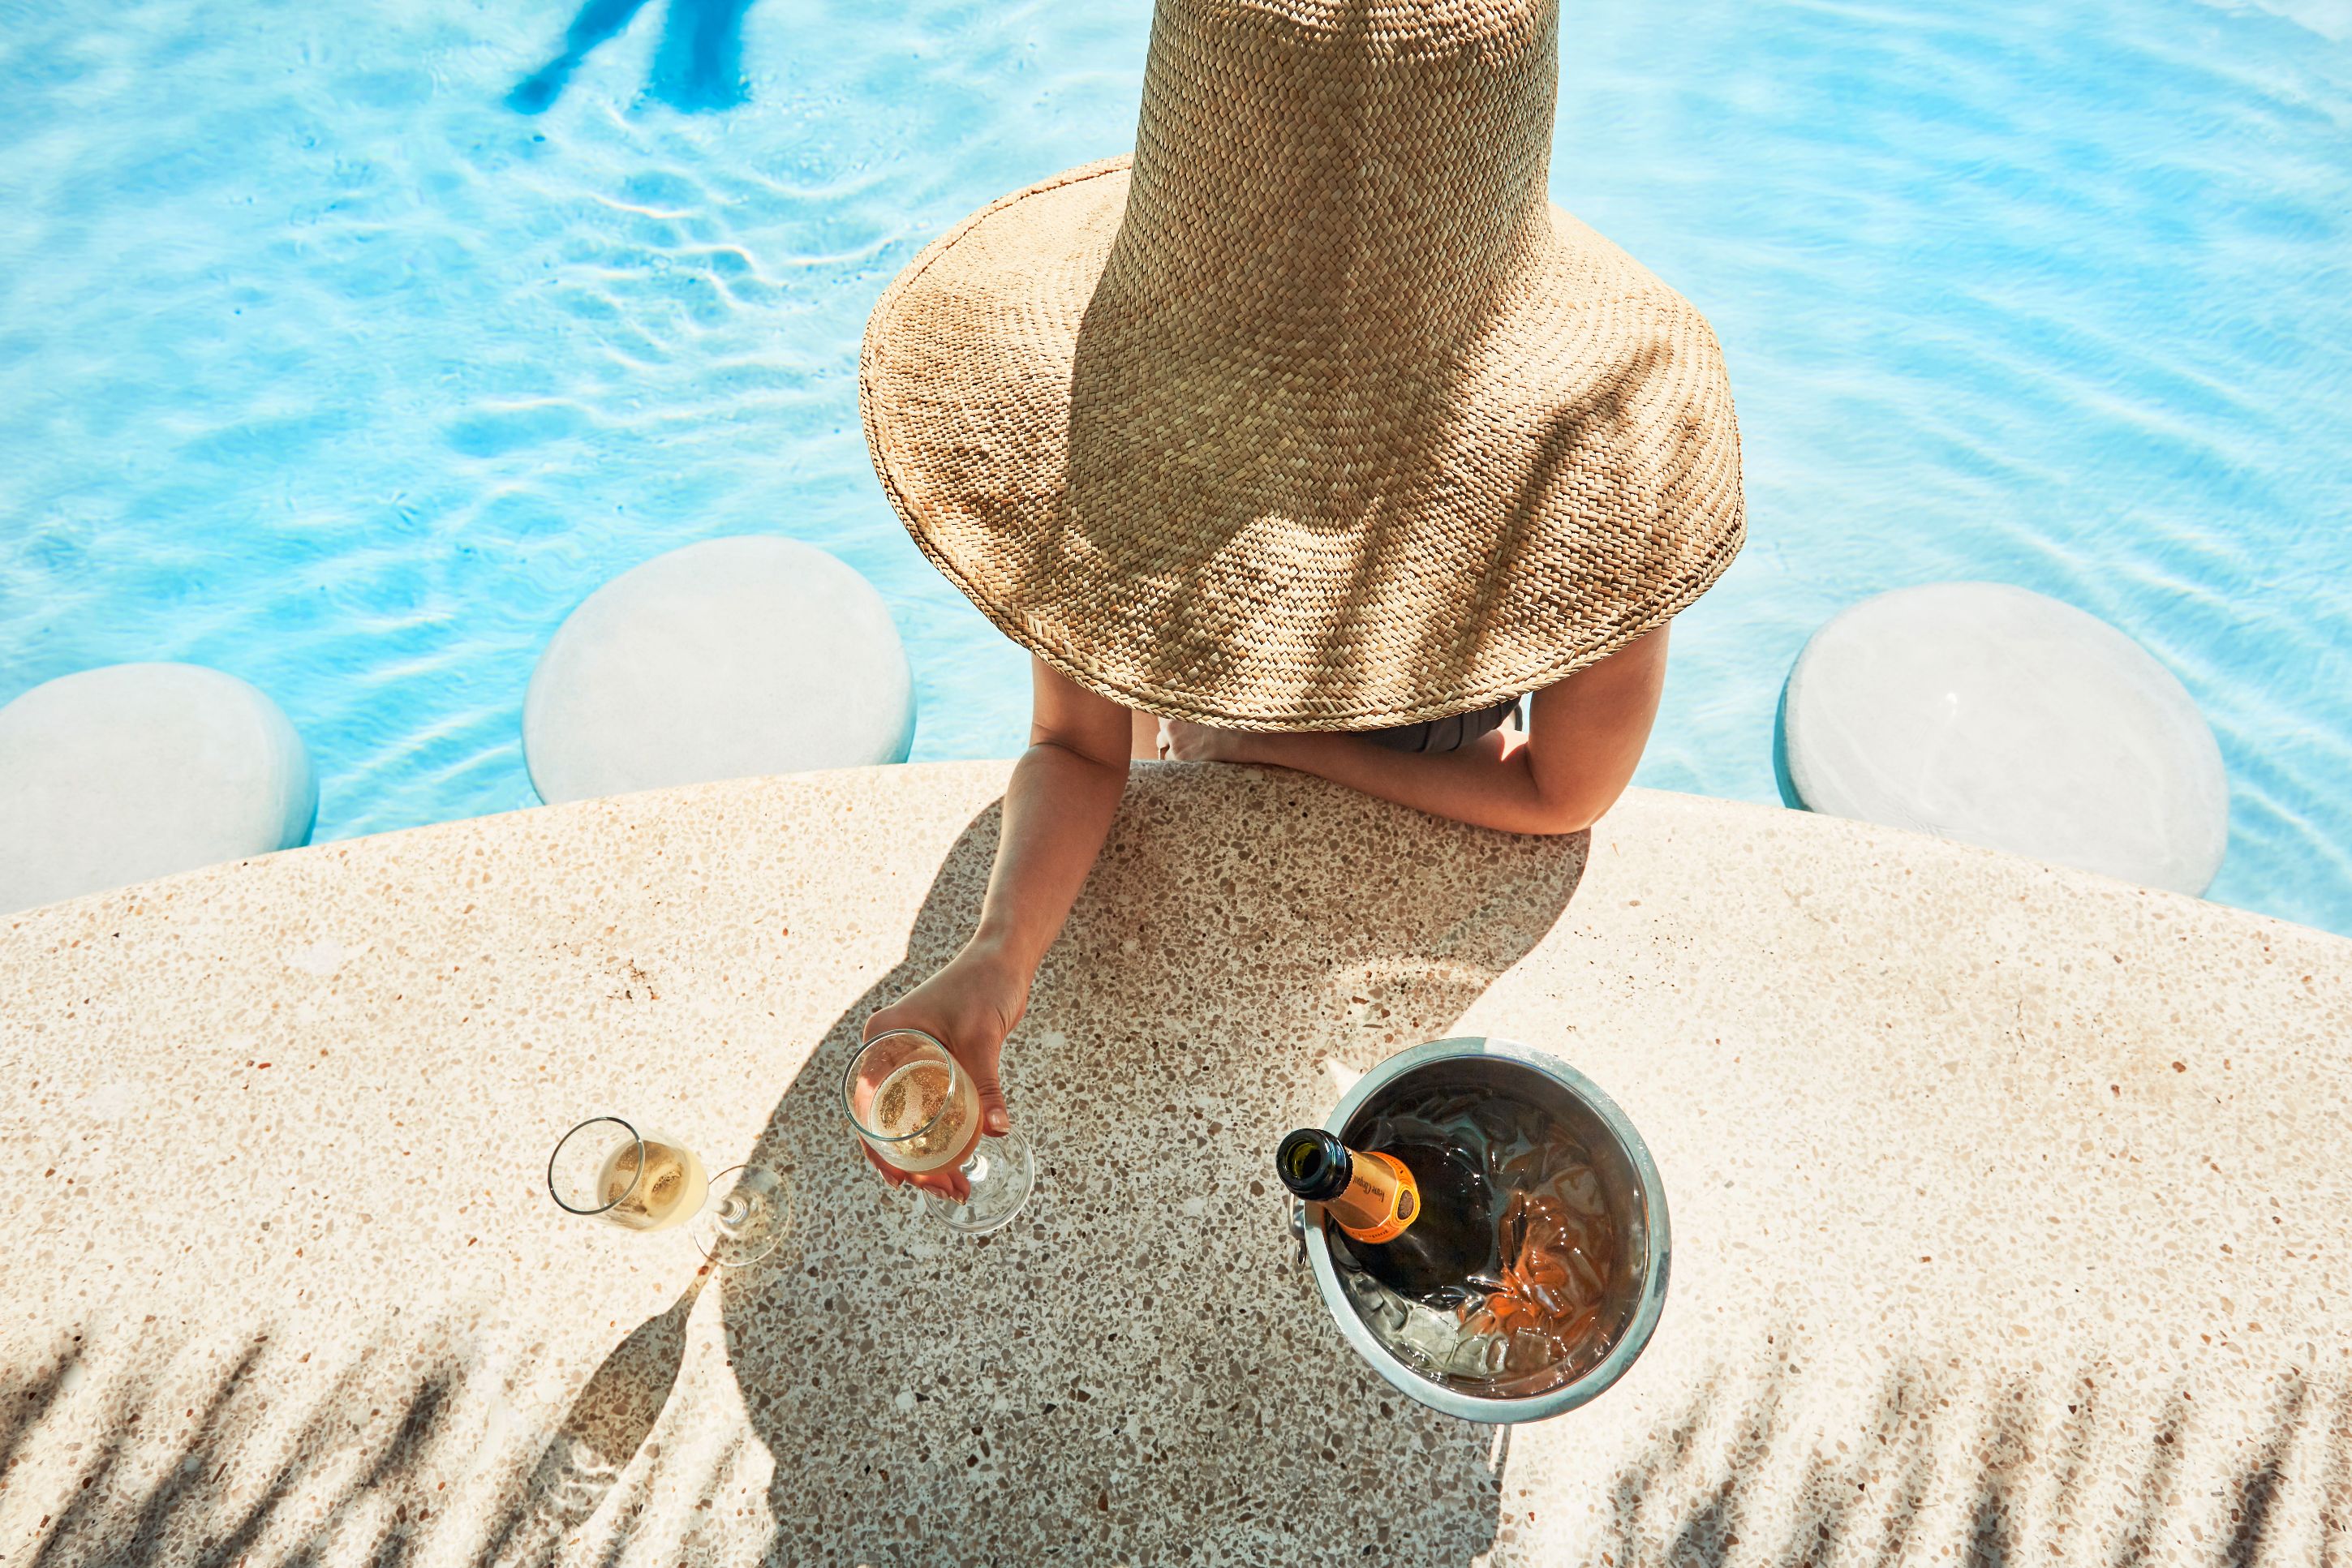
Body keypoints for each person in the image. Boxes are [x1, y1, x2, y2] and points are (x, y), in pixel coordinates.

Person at [852, 0, 1744, 1197]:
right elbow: (1079, 745)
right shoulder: (1108, 414)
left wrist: (1274, 744)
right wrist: (999, 959)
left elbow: (1562, 790)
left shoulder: (1588, 467)